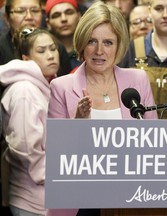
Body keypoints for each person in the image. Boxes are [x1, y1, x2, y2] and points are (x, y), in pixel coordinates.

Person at [46, 2, 157, 215]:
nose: (99, 51)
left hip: (129, 199)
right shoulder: (61, 87)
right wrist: (78, 124)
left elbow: (153, 142)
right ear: (81, 44)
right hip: (79, 203)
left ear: (119, 45)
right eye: (91, 41)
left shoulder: (137, 80)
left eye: (108, 42)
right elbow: (54, 156)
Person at [0, 26, 60, 216]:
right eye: (42, 51)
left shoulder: (49, 84)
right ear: (26, 59)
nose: (50, 55)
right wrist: (58, 176)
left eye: (53, 48)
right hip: (31, 202)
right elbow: (26, 149)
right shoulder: (24, 91)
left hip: (48, 198)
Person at [0, 0, 71, 77]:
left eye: (35, 10)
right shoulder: (1, 47)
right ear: (7, 17)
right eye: (21, 11)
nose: (29, 17)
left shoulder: (55, 45)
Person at [46, 0, 82, 69]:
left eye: (69, 13)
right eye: (56, 15)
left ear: (79, 16)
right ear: (48, 23)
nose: (64, 19)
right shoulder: (46, 56)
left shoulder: (90, 50)